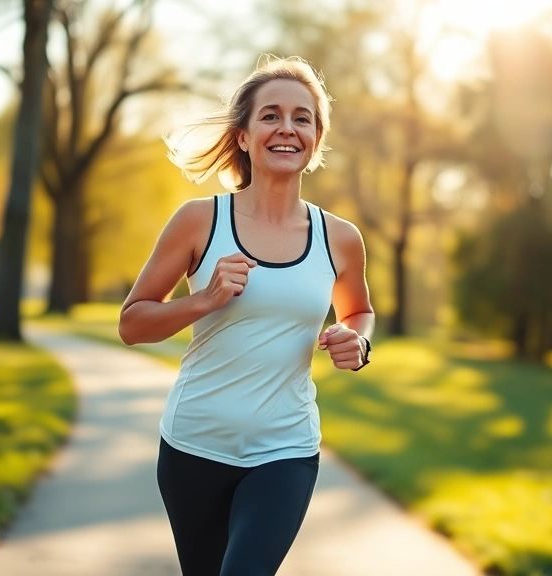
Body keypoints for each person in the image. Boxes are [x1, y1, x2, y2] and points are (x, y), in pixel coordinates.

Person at [118, 55, 375, 576]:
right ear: (243, 135)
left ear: (316, 139)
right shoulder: (199, 221)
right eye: (270, 115)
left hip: (285, 449)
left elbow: (359, 310)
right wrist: (203, 300)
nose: (287, 128)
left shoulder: (341, 238)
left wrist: (357, 341)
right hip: (194, 446)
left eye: (302, 118)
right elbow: (132, 323)